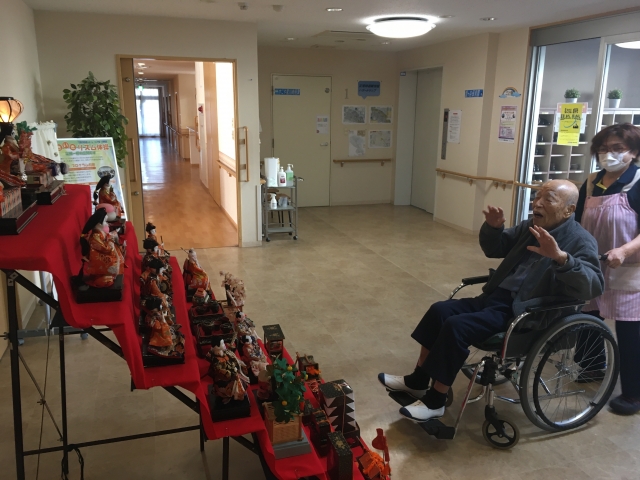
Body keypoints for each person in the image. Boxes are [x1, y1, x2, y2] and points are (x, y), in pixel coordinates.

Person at [379, 180, 604, 422]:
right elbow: (496, 248)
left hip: (524, 311)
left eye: (548, 199)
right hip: (494, 298)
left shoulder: (581, 241)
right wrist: (493, 228)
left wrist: (561, 258)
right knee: (439, 311)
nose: (537, 203)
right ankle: (418, 380)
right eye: (537, 196)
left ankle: (436, 401)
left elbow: (593, 285)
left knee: (457, 326)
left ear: (569, 210)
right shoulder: (530, 227)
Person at [575, 123, 640, 415]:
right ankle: (592, 366)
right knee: (589, 316)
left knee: (629, 331)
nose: (608, 154)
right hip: (594, 263)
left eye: (617, 148)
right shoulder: (592, 182)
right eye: (603, 149)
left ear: (633, 152)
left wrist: (624, 251)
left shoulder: (637, 182)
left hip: (629, 268)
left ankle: (634, 394)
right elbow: (576, 221)